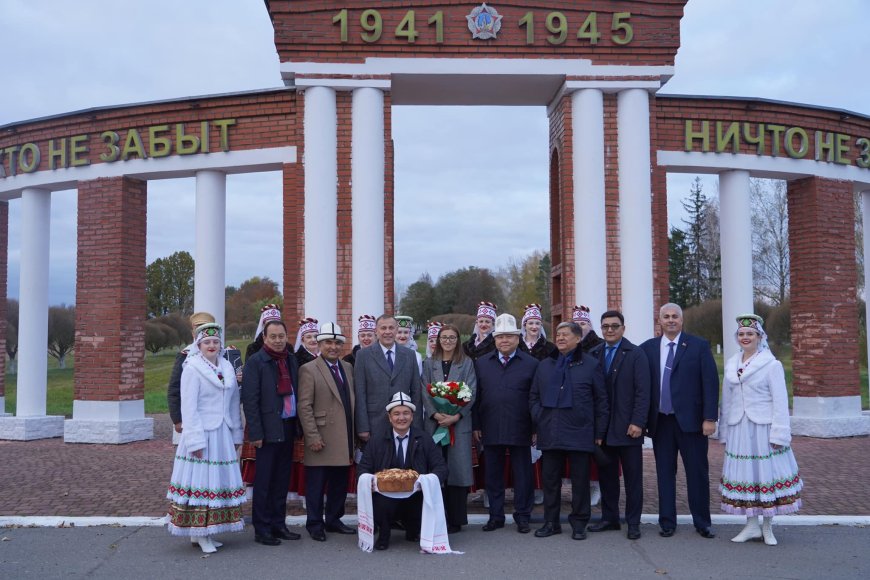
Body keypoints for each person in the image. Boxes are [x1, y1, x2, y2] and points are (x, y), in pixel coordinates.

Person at [720, 314, 803, 546]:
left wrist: (779, 433)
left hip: (763, 427)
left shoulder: (771, 365)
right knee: (747, 476)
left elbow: (780, 401)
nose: (745, 337)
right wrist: (724, 429)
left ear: (759, 337)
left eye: (750, 334)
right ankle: (751, 525)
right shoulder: (731, 365)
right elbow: (726, 400)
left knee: (766, 475)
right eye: (742, 334)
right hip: (739, 427)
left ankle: (768, 526)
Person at [640, 303, 720, 539]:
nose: (671, 320)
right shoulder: (648, 349)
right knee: (665, 473)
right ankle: (667, 522)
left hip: (692, 423)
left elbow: (710, 384)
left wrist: (709, 418)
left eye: (675, 316)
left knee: (697, 473)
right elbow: (643, 387)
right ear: (660, 321)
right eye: (666, 317)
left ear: (682, 320)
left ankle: (702, 522)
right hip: (661, 422)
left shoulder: (699, 346)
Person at [166, 323, 246, 553]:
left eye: (215, 342)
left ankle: (207, 531)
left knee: (216, 482)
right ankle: (198, 532)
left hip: (221, 433)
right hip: (202, 432)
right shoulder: (192, 368)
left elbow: (232, 404)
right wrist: (194, 440)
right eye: (207, 342)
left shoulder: (227, 367)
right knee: (201, 481)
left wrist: (235, 433)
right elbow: (188, 407)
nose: (212, 345)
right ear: (198, 345)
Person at [530, 321, 608, 541]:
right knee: (550, 481)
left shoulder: (591, 365)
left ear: (578, 338)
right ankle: (551, 522)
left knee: (580, 481)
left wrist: (599, 432)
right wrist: (540, 417)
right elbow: (533, 396)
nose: (561, 337)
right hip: (550, 431)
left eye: (566, 334)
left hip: (580, 432)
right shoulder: (545, 365)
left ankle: (579, 523)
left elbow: (601, 400)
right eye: (558, 334)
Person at [472, 313, 539, 534]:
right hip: (490, 426)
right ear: (494, 339)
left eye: (509, 336)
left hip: (522, 427)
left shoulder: (531, 364)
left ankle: (522, 516)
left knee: (523, 475)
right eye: (500, 337)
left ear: (518, 338)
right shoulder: (481, 364)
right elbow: (476, 396)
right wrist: (476, 425)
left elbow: (535, 397)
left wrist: (535, 428)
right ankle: (496, 516)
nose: (504, 341)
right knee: (493, 475)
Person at [588, 310, 650, 540]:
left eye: (615, 326)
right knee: (607, 477)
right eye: (605, 326)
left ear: (623, 328)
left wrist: (638, 422)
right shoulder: (594, 353)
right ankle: (610, 518)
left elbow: (643, 392)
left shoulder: (635, 354)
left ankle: (633, 522)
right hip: (603, 431)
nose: (610, 330)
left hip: (628, 428)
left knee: (633, 479)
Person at [358, 392, 448, 551]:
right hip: (385, 495)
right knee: (380, 502)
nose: (402, 418)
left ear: (412, 416)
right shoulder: (377, 440)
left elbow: (441, 467)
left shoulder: (424, 439)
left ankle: (414, 530)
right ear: (389, 417)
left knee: (422, 503)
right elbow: (363, 468)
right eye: (397, 414)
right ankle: (384, 534)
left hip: (415, 493)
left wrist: (426, 481)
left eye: (406, 413)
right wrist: (369, 481)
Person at [241, 318, 302, 546]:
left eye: (281, 336)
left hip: (287, 427)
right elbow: (250, 400)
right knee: (264, 482)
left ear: (287, 338)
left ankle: (279, 524)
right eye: (273, 337)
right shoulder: (256, 362)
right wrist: (255, 433)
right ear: (264, 338)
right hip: (266, 431)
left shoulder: (291, 360)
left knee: (281, 481)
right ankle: (262, 528)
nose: (278, 341)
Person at [297, 322, 357, 541]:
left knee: (339, 482)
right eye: (328, 343)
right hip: (321, 436)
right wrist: (312, 436)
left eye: (336, 343)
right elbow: (304, 406)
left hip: (344, 435)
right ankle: (314, 523)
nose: (333, 347)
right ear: (319, 344)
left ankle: (333, 519)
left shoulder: (348, 368)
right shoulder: (308, 369)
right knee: (316, 483)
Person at [421, 323, 477, 533]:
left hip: (457, 424)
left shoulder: (467, 363)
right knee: (436, 469)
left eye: (452, 338)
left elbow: (471, 391)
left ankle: (455, 520)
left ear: (458, 340)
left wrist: (455, 416)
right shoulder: (429, 363)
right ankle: (437, 516)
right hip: (434, 425)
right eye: (444, 337)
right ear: (438, 340)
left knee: (457, 472)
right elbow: (423, 390)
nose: (448, 341)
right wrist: (435, 414)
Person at [354, 314, 424, 442]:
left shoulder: (410, 355)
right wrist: (362, 426)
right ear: (376, 331)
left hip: (404, 423)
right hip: (374, 422)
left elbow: (416, 393)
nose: (387, 332)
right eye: (383, 328)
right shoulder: (363, 355)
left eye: (391, 328)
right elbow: (360, 392)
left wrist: (417, 425)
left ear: (396, 330)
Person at [240, 304, 283, 486]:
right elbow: (251, 395)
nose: (276, 340)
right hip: (263, 414)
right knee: (263, 469)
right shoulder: (254, 350)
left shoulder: (286, 351)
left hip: (283, 418)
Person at [573, 304, 604, 506]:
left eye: (584, 323)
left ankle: (597, 487)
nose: (581, 327)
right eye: (577, 324)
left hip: (592, 405)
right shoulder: (569, 346)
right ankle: (581, 489)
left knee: (595, 452)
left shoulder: (598, 346)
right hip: (574, 408)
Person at [167, 311, 216, 437]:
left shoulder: (222, 355)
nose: (201, 331)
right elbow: (175, 387)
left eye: (205, 327)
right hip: (193, 417)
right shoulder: (185, 355)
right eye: (198, 328)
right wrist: (177, 419)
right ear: (193, 332)